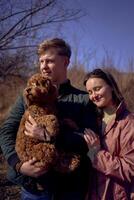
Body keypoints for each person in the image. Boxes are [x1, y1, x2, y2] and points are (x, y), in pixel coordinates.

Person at [0, 38, 98, 200]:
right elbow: (6, 130)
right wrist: (19, 164)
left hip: (70, 188)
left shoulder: (83, 100)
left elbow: (87, 141)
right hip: (34, 189)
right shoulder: (27, 96)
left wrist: (48, 136)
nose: (43, 66)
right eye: (41, 61)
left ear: (65, 62)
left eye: (50, 61)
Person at [83, 68, 134, 200]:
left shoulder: (129, 123)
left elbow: (130, 170)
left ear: (111, 86)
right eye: (90, 92)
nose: (94, 95)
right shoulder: (93, 120)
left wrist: (97, 153)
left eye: (97, 88)